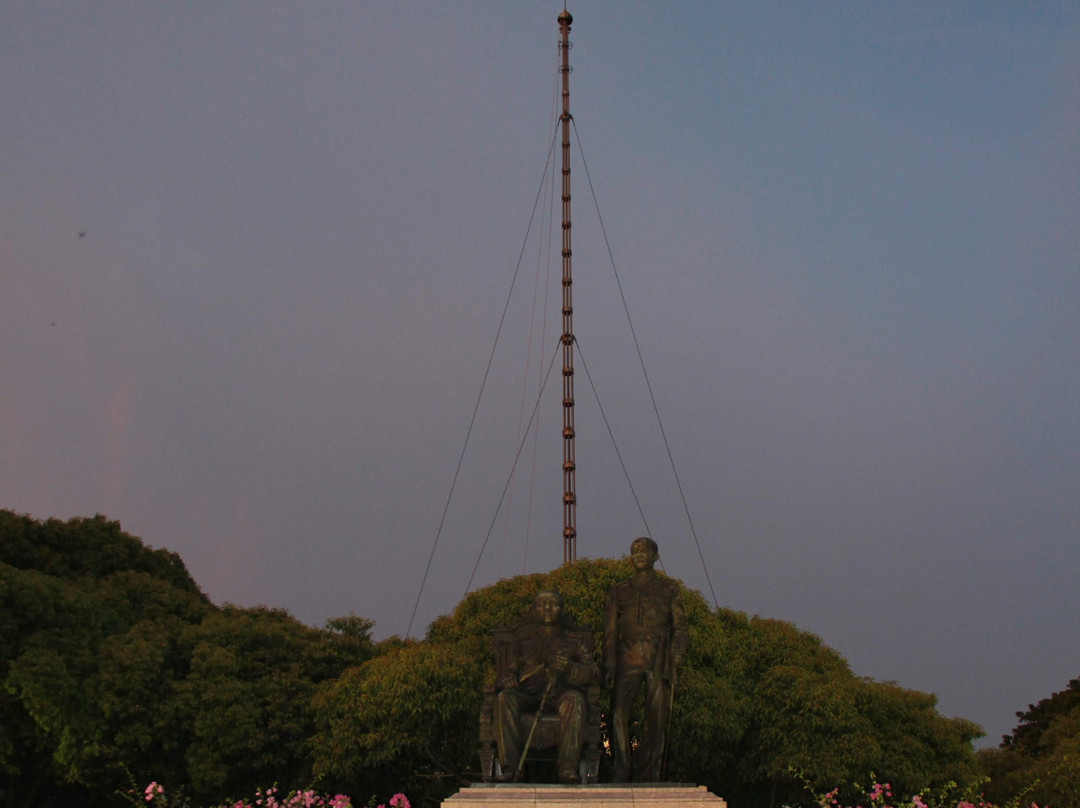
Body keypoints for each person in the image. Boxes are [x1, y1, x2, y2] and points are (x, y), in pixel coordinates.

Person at [603, 537, 689, 782]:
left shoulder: (669, 589)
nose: (639, 554)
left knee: (657, 718)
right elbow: (610, 633)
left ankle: (650, 771)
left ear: (655, 556)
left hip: (658, 656)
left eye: (644, 550)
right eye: (634, 551)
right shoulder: (619, 590)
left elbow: (680, 627)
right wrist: (608, 664)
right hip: (626, 656)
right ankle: (621, 768)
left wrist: (678, 651)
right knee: (619, 713)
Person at [493, 590, 600, 783]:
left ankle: (568, 768)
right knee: (504, 698)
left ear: (561, 610)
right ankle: (510, 768)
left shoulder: (574, 642)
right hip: (529, 695)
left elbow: (594, 673)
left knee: (574, 700)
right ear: (534, 611)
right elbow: (505, 673)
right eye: (542, 605)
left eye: (553, 604)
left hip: (560, 695)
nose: (548, 609)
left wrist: (569, 667)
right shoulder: (523, 643)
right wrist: (508, 678)